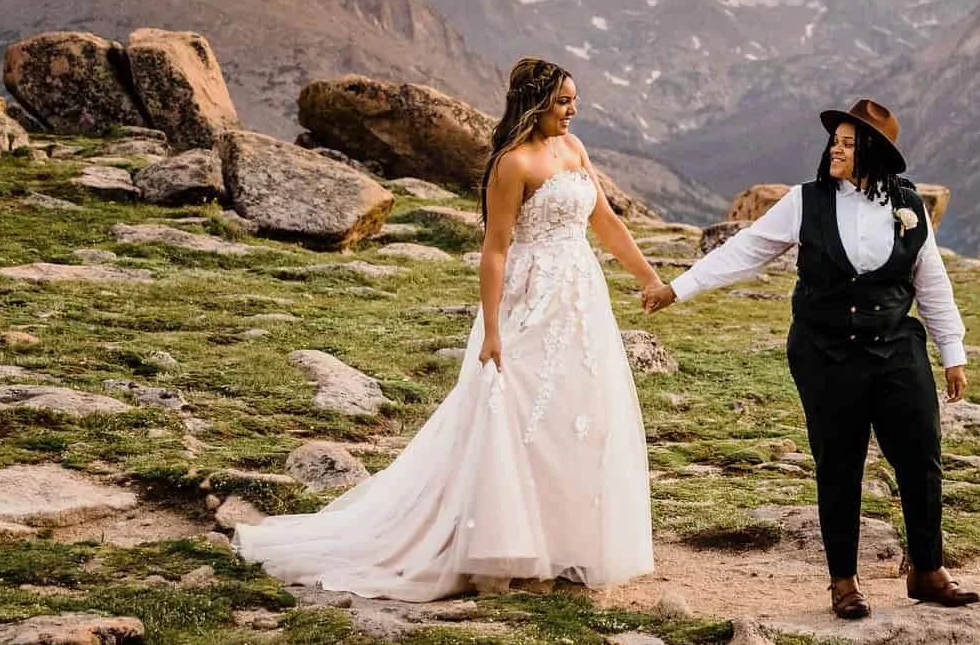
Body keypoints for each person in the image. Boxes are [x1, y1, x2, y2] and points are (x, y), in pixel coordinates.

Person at [237, 58, 666, 600]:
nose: (573, 110)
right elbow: (495, 251)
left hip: (580, 299)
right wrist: (491, 330)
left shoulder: (574, 150)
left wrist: (648, 278)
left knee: (577, 413)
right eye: (563, 102)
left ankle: (566, 543)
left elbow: (604, 220)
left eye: (573, 100)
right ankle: (507, 546)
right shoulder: (512, 164)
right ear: (534, 104)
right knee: (516, 413)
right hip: (529, 300)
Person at [646, 98, 977, 619]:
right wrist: (678, 288)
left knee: (920, 455)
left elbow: (931, 281)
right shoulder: (806, 201)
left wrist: (951, 352)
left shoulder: (908, 205)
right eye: (835, 141)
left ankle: (927, 570)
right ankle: (844, 581)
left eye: (848, 143)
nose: (835, 151)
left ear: (872, 153)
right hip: (825, 351)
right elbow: (747, 249)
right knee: (839, 461)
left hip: (895, 346)